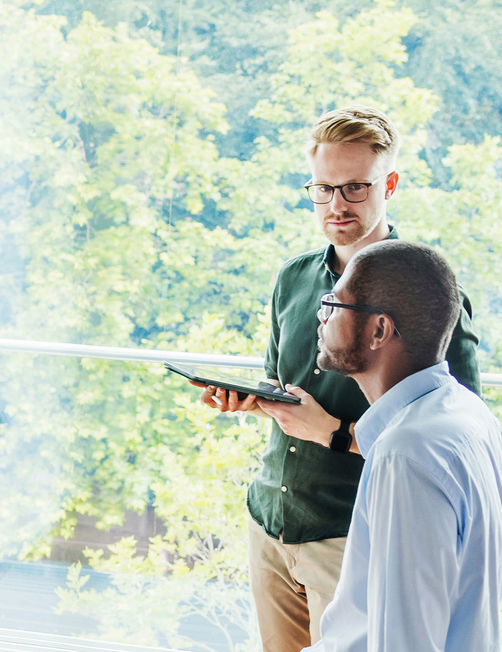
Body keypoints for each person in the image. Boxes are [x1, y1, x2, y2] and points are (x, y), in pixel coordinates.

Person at [190, 105, 480, 652]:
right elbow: (286, 390)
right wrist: (253, 402)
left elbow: (454, 439)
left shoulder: (429, 297)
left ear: (389, 183)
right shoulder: (293, 278)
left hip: (351, 537)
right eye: (322, 189)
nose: (336, 206)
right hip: (270, 521)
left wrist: (332, 431)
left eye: (353, 188)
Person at [292, 240, 502, 651]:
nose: (320, 318)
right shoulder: (468, 414)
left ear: (379, 330)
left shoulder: (406, 453)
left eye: (334, 304)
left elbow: (404, 643)